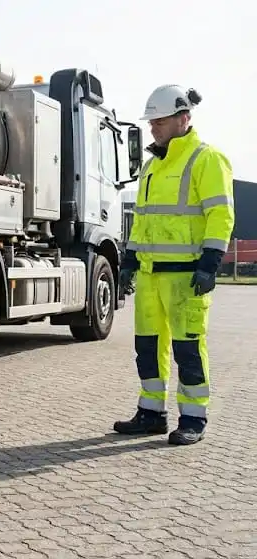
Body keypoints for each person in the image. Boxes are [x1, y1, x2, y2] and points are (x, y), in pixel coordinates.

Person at [114, 84, 235, 445]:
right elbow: (143, 218)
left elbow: (221, 215)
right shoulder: (151, 165)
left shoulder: (206, 159)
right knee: (148, 349)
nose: (154, 128)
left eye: (160, 121)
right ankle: (151, 413)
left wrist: (210, 262)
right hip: (151, 277)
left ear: (184, 118)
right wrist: (129, 259)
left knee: (188, 350)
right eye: (152, 122)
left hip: (187, 277)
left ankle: (194, 418)